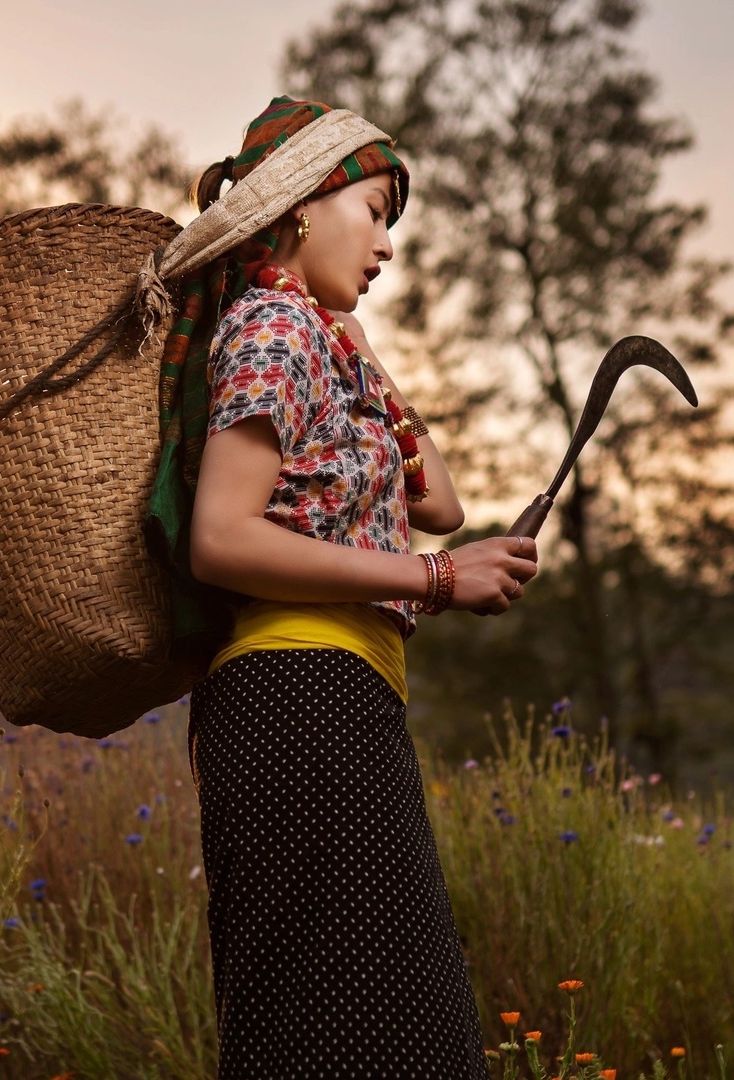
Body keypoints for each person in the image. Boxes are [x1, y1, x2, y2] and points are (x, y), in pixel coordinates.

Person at [144, 96, 534, 1079]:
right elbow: (222, 540)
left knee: (386, 1028)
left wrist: (360, 348)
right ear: (306, 206)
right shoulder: (272, 327)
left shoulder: (314, 339)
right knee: (348, 1034)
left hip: (340, 697)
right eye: (374, 212)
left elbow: (438, 499)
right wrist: (437, 582)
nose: (388, 247)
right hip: (295, 702)